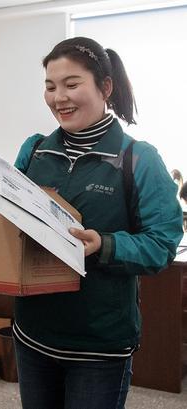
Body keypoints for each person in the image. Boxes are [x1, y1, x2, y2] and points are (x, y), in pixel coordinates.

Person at [12, 37, 183, 409]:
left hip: (98, 348)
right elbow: (11, 222)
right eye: (50, 87)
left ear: (105, 87)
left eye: (71, 84)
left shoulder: (138, 159)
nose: (59, 98)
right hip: (32, 336)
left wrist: (104, 245)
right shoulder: (35, 150)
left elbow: (162, 245)